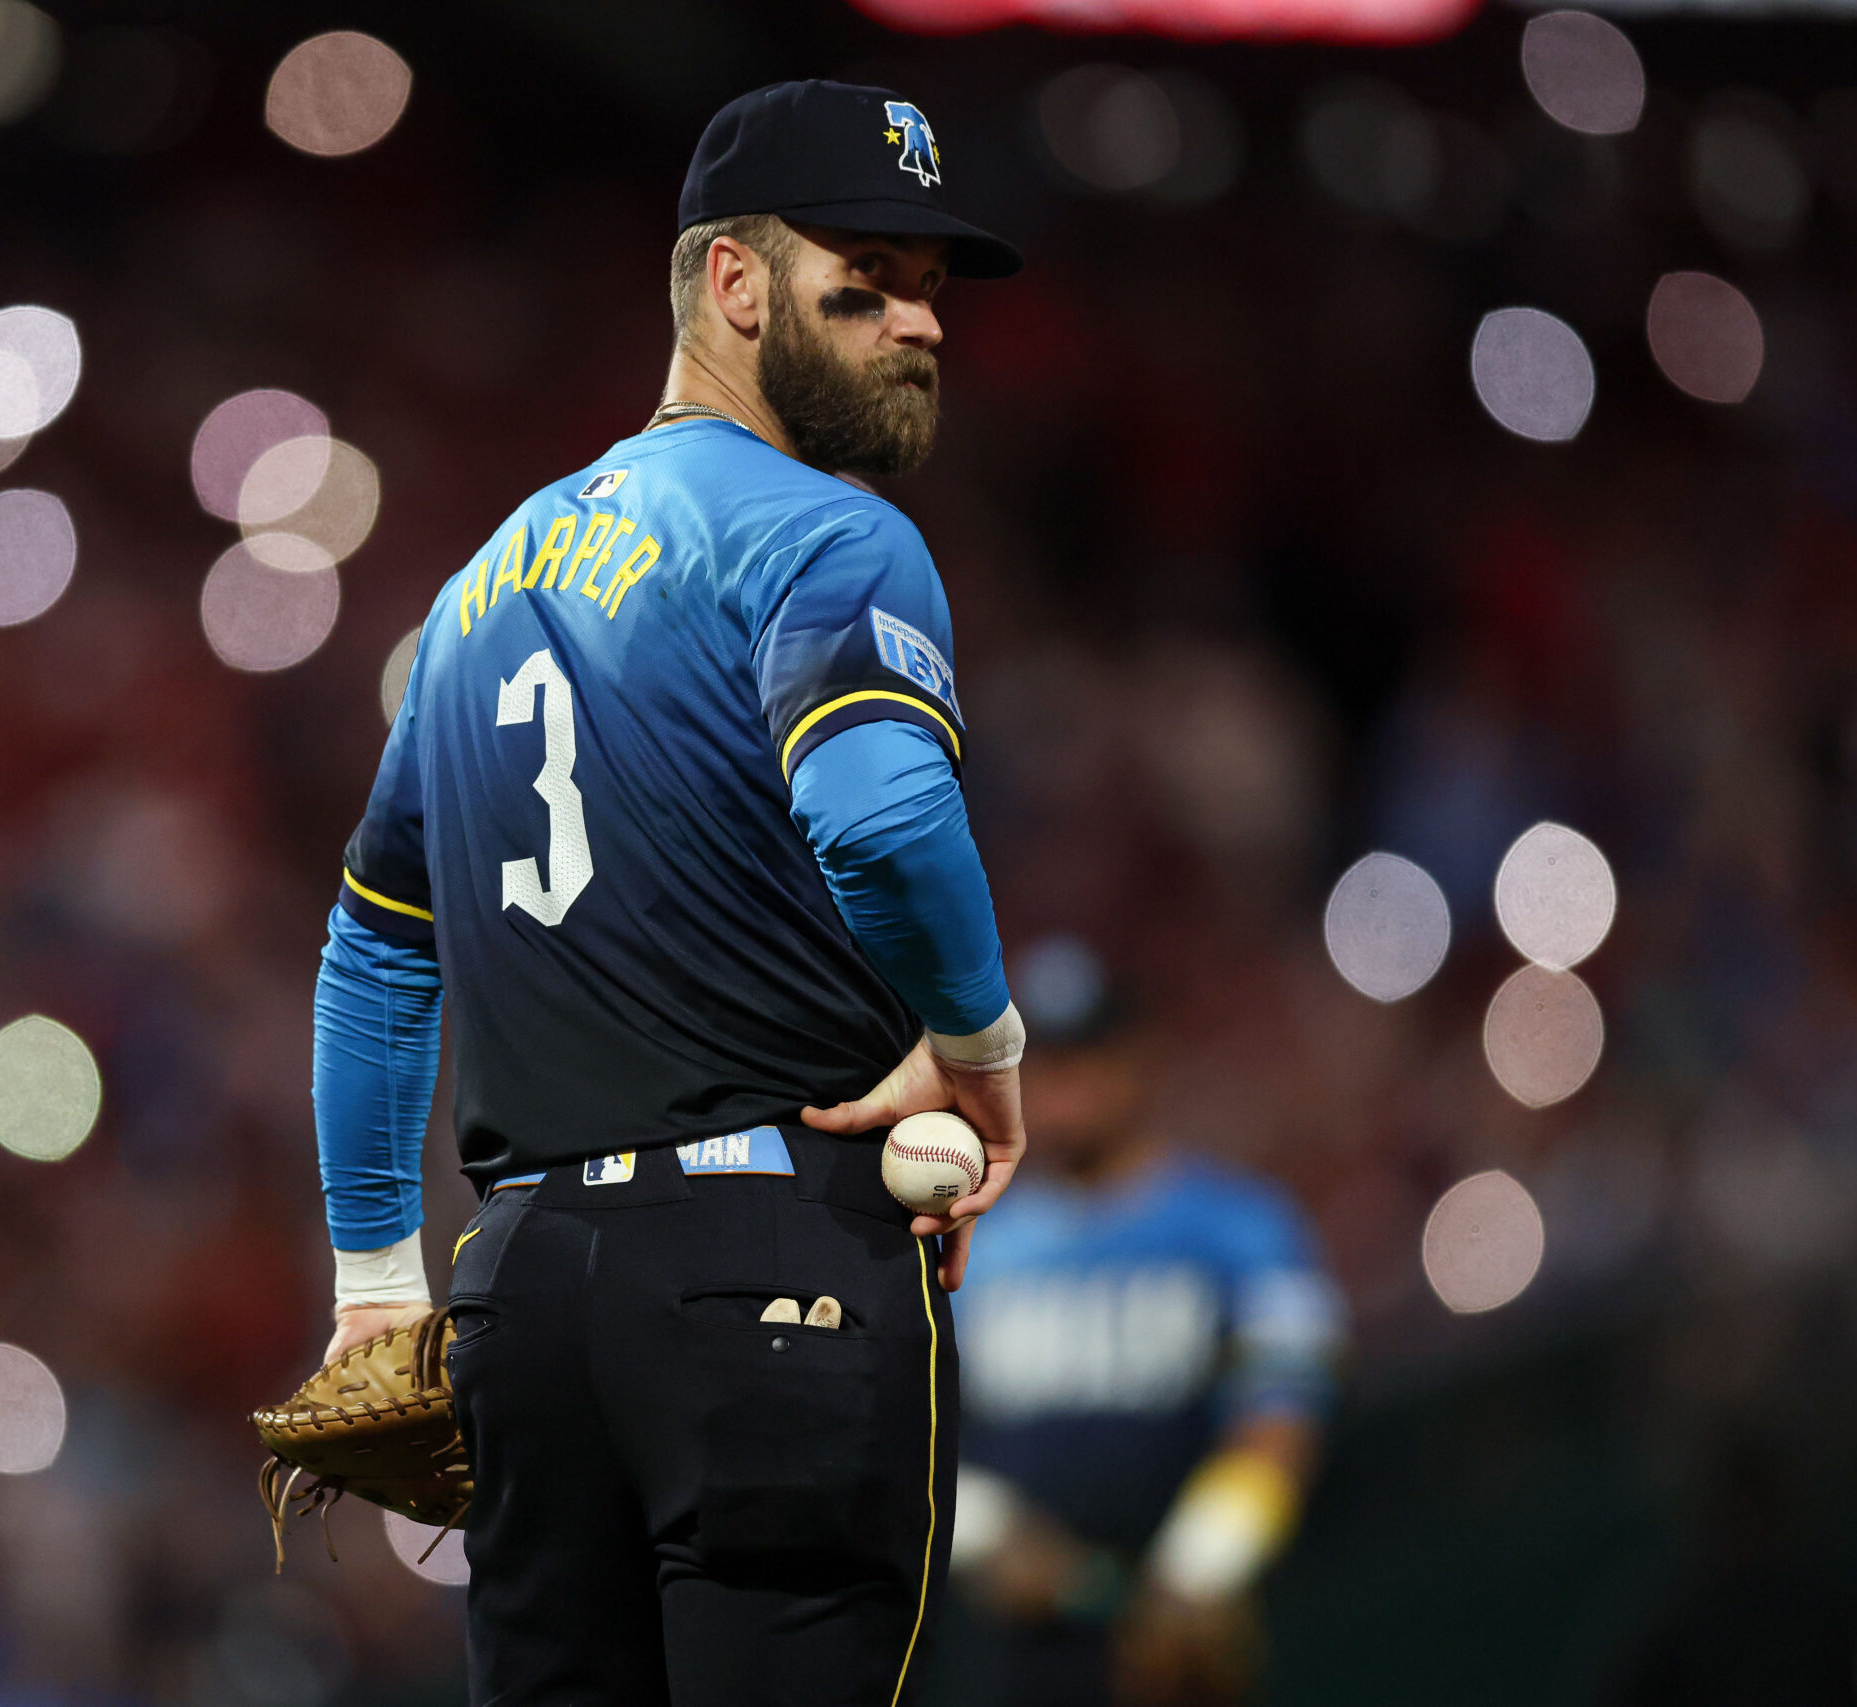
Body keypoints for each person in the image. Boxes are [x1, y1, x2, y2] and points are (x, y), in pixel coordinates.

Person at [306, 80, 1029, 1705]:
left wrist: (376, 1281)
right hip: (774, 1273)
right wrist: (981, 1048)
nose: (922, 321)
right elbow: (882, 817)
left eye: (931, 286)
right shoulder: (831, 536)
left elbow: (373, 954)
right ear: (735, 283)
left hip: (522, 1302)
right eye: (868, 277)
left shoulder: (481, 586)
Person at [929, 939, 1344, 1707]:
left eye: (1089, 1052)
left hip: (1189, 1638)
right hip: (1009, 1648)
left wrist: (1199, 1567)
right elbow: (913, 1429)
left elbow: (1284, 1411)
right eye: (1045, 1061)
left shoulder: (1240, 1228)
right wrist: (986, 1534)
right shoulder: (965, 1248)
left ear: (1139, 1056)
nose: (1067, 1082)